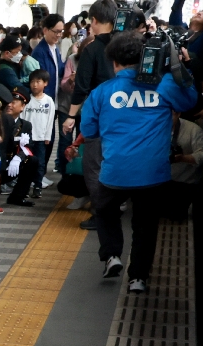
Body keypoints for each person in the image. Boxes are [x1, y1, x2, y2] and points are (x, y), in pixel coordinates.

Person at [80, 32, 196, 293]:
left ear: (114, 63)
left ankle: (112, 255)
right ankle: (138, 278)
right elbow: (191, 102)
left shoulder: (102, 92)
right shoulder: (165, 85)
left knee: (105, 211)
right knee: (145, 224)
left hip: (114, 171)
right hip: (153, 174)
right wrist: (181, 70)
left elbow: (89, 131)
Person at [66, 0, 118, 229]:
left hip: (100, 118)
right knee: (115, 164)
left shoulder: (94, 49)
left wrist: (70, 116)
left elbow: (82, 86)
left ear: (94, 21)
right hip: (127, 118)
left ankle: (102, 214)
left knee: (94, 166)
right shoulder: (127, 46)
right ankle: (115, 208)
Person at [31, 14, 66, 181]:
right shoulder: (40, 51)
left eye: (61, 31)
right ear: (45, 30)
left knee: (49, 137)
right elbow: (41, 78)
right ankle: (38, 174)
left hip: (53, 99)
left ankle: (41, 172)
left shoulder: (55, 48)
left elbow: (59, 69)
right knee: (44, 139)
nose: (59, 35)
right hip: (45, 100)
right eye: (56, 31)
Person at [164, 111, 203, 221]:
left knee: (175, 215)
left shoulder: (193, 130)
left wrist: (183, 158)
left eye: (171, 115)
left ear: (179, 114)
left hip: (183, 182)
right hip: (158, 181)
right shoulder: (151, 129)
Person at [22, 69, 56, 185]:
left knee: (40, 162)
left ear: (45, 83)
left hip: (41, 138)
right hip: (27, 137)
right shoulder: (27, 99)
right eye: (32, 82)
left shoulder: (49, 100)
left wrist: (48, 136)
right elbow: (22, 117)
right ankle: (26, 183)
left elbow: (50, 120)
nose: (35, 85)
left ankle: (38, 184)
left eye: (38, 81)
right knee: (26, 161)